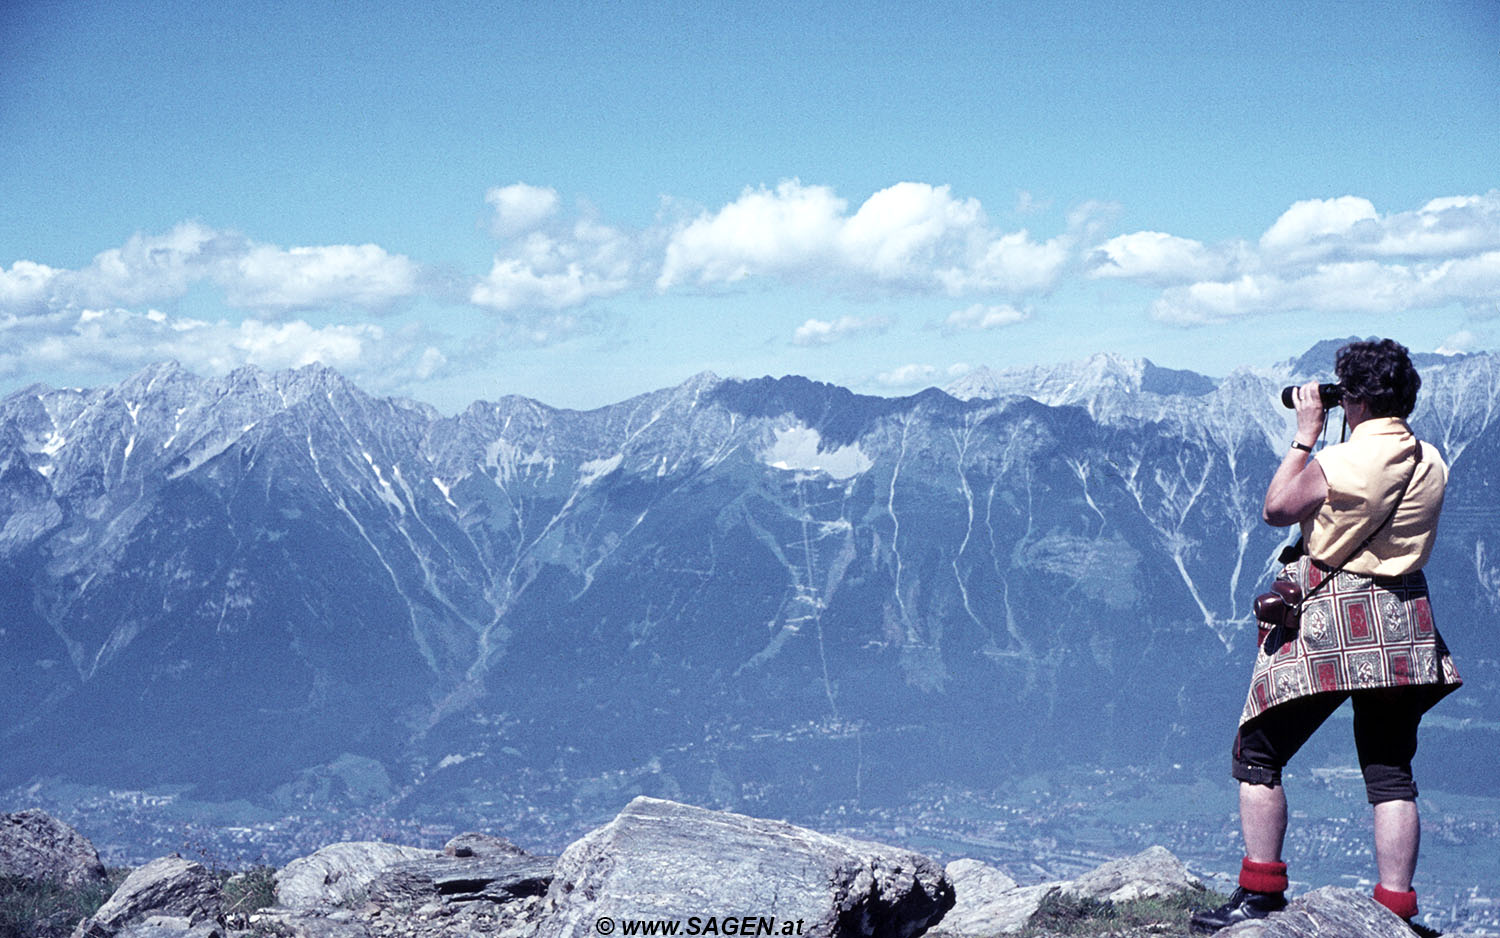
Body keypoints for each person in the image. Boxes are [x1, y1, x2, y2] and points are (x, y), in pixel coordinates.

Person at [1190, 339, 1462, 936]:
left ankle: (1260, 893)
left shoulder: (1341, 462)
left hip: (1333, 621)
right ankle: (1396, 912)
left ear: (1353, 399)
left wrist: (1305, 434)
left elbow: (1277, 507)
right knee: (1390, 771)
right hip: (1405, 625)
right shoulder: (1432, 460)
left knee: (1257, 753)